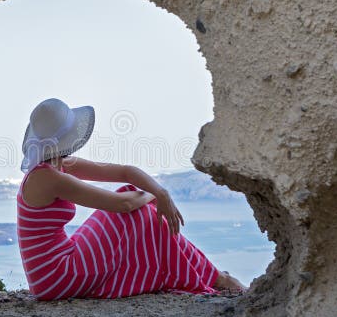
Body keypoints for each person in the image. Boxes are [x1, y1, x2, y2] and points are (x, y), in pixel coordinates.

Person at [16, 98, 247, 301]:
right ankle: (219, 279)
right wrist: (153, 196)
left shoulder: (54, 167)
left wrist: (162, 193)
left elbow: (125, 171)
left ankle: (216, 276)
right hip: (57, 277)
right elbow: (122, 205)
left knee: (133, 196)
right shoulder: (48, 178)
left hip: (52, 270)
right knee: (140, 210)